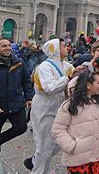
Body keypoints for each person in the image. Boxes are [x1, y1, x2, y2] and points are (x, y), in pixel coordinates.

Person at [51, 70, 99, 174]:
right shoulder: (70, 105)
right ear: (88, 85)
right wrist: (71, 146)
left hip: (96, 158)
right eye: (98, 83)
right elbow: (57, 129)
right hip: (78, 161)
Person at [24, 38, 75, 173]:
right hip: (44, 105)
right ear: (56, 49)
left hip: (61, 104)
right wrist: (67, 79)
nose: (67, 48)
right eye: (64, 46)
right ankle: (39, 171)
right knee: (44, 144)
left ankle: (36, 160)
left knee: (59, 141)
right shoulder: (44, 67)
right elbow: (50, 88)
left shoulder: (67, 65)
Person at [0, 38, 33, 167]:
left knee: (21, 127)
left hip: (16, 104)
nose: (8, 48)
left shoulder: (19, 62)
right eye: (4, 46)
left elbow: (26, 81)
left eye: (9, 45)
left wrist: (28, 97)